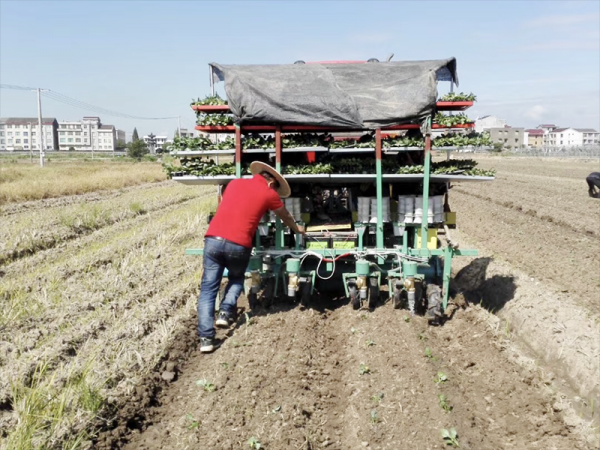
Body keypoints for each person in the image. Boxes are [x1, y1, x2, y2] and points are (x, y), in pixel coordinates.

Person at [198, 161, 305, 353]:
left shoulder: (234, 183)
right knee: (237, 277)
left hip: (212, 239)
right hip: (238, 244)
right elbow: (285, 215)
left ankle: (206, 339)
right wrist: (297, 229)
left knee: (207, 288)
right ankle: (225, 311)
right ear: (272, 183)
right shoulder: (269, 194)